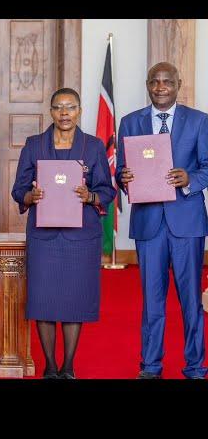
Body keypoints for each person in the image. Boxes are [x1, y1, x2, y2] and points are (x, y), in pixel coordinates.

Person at [11, 88, 115, 379]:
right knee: (43, 300)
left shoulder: (93, 146)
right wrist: (31, 196)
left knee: (73, 301)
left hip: (81, 238)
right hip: (44, 237)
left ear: (79, 110)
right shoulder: (34, 145)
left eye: (70, 107)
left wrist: (90, 196)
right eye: (59, 107)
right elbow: (18, 190)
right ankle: (50, 366)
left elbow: (107, 190)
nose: (65, 113)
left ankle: (68, 366)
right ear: (51, 112)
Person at [116, 62, 208, 379]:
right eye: (154, 81)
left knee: (191, 301)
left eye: (167, 81)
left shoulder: (199, 121)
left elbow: (207, 167)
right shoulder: (130, 123)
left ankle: (196, 367)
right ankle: (151, 366)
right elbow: (121, 171)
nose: (160, 86)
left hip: (187, 222)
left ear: (178, 83)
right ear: (147, 84)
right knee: (152, 301)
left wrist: (190, 178)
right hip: (149, 222)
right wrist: (122, 177)